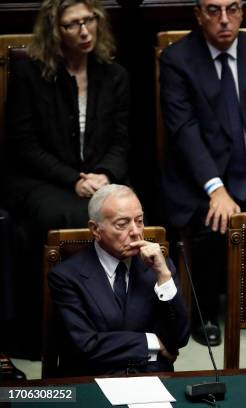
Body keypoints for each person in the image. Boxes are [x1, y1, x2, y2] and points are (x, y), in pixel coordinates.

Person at [159, 0, 246, 345]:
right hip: (198, 178)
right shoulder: (177, 59)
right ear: (198, 15)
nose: (224, 20)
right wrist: (214, 187)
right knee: (213, 221)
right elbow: (184, 131)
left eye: (232, 9)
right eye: (213, 10)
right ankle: (203, 314)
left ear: (243, 12)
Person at [3, 0, 129, 357]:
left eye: (89, 20)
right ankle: (54, 331)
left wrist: (106, 174)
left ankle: (114, 328)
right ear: (54, 31)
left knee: (124, 214)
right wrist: (74, 179)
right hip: (42, 179)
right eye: (73, 24)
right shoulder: (30, 75)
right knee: (66, 218)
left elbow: (122, 140)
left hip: (100, 177)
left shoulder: (114, 74)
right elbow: (23, 146)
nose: (85, 31)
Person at [48, 185, 190, 376]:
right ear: (95, 229)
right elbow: (86, 345)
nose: (135, 232)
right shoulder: (66, 276)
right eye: (122, 224)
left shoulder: (158, 267)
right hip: (93, 377)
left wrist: (163, 276)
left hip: (150, 374)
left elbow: (178, 339)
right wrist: (152, 343)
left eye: (139, 221)